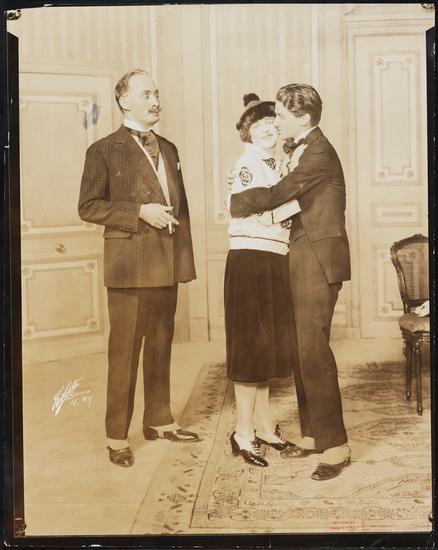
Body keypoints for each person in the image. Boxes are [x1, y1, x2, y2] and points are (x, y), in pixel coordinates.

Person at [229, 84, 351, 481]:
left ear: (304, 117)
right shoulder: (300, 148)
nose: (276, 121)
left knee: (313, 352)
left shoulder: (318, 153)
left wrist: (237, 201)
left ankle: (337, 446)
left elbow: (278, 194)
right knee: (302, 351)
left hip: (318, 259)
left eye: (281, 115)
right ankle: (314, 435)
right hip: (300, 257)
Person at [78, 69, 199, 468]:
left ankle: (159, 420)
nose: (155, 100)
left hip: (166, 263)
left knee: (161, 344)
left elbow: (180, 208)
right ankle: (116, 436)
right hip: (130, 266)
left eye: (157, 93)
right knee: (125, 353)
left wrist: (183, 261)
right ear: (124, 101)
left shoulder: (169, 148)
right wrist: (139, 211)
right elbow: (88, 207)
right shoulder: (103, 150)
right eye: (146, 94)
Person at [226, 93, 301, 468]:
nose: (267, 129)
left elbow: (274, 201)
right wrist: (297, 198)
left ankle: (265, 426)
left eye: (272, 121)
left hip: (273, 257)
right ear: (248, 132)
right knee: (249, 349)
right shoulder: (247, 163)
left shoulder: (280, 162)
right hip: (250, 260)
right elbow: (254, 204)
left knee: (265, 348)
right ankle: (243, 433)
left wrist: (284, 197)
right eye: (258, 125)